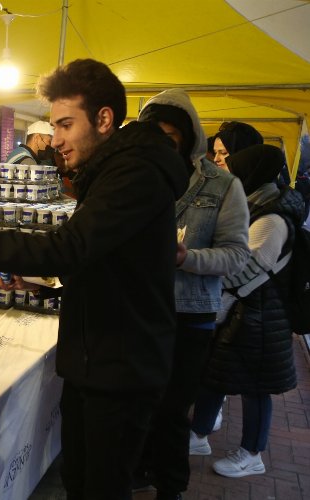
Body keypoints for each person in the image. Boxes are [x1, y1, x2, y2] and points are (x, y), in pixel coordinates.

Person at [0, 58, 190, 500]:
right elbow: (104, 264)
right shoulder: (111, 170)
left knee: (101, 489)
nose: (57, 139)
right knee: (78, 481)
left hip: (122, 368)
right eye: (53, 125)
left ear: (104, 119)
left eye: (66, 124)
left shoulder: (135, 174)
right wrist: (39, 283)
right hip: (95, 359)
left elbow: (67, 247)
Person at [135, 89, 251, 500]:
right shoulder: (136, 176)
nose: (162, 144)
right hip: (140, 309)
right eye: (153, 134)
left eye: (170, 135)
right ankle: (140, 471)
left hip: (190, 313)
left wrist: (187, 258)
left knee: (172, 408)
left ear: (189, 136)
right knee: (141, 400)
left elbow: (237, 256)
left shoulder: (223, 185)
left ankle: (171, 486)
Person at [189, 144, 303, 478]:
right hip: (243, 312)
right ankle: (198, 434)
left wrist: (203, 268)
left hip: (261, 317)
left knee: (256, 388)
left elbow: (245, 272)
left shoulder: (271, 218)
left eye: (234, 169)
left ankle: (252, 453)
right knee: (215, 376)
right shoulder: (258, 203)